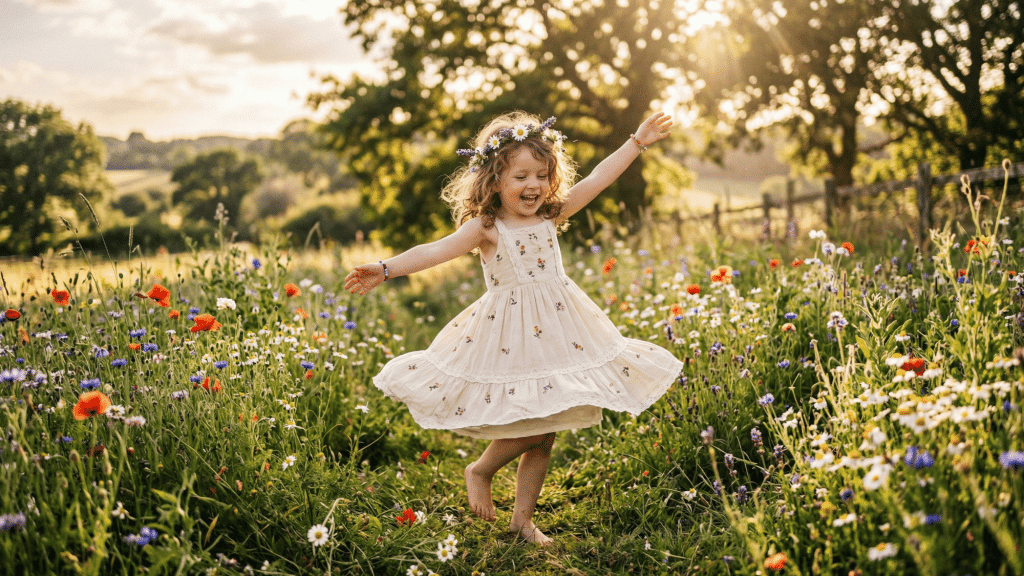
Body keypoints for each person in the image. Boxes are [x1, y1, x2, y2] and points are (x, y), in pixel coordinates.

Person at [344, 110, 683, 545]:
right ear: (494, 180)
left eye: (542, 175)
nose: (533, 185)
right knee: (535, 424)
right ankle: (480, 470)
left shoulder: (551, 214)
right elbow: (435, 250)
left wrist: (637, 141)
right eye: (521, 175)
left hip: (560, 329)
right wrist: (386, 268)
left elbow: (598, 179)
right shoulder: (487, 227)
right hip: (512, 336)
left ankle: (523, 521)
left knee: (546, 434)